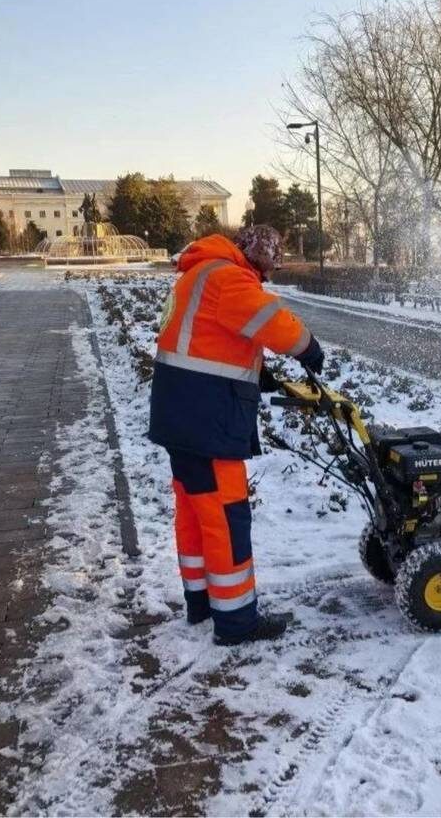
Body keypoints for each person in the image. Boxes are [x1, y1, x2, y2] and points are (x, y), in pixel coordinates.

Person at [149, 225, 324, 645]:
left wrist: (258, 373)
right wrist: (309, 348)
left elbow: (211, 336)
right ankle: (237, 621)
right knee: (227, 518)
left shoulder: (198, 273)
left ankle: (202, 603)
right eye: (266, 270)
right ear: (256, 258)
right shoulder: (229, 276)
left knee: (194, 512)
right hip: (208, 417)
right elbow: (271, 321)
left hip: (180, 413)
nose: (264, 279)